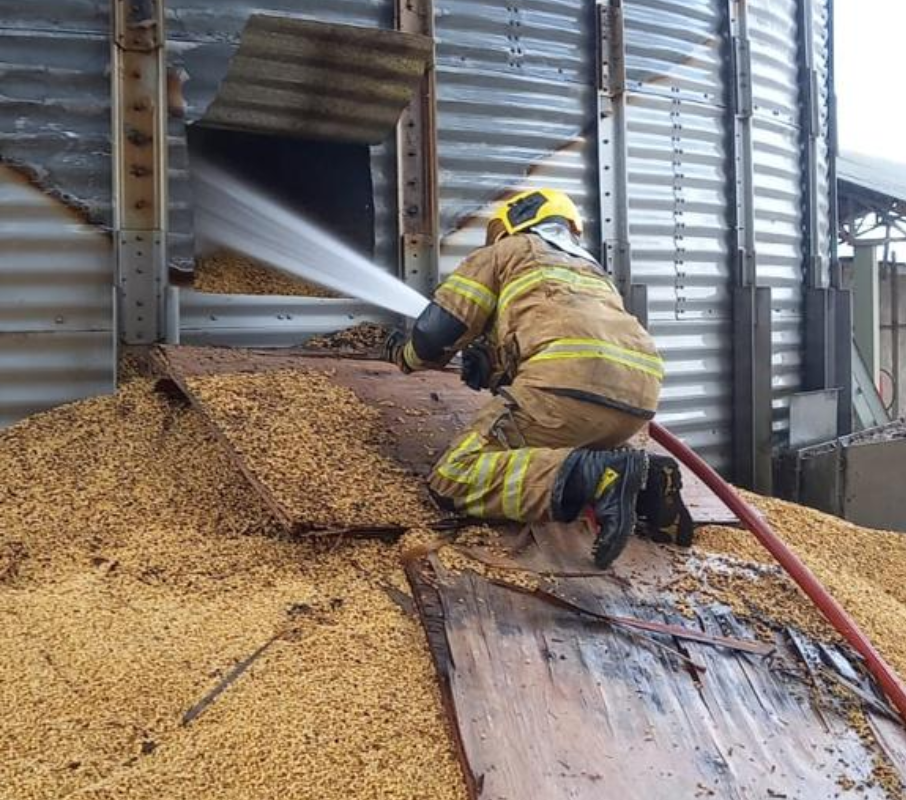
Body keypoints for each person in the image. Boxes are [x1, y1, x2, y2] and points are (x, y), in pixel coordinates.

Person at [384, 189, 684, 567]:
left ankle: (601, 476)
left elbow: (437, 332)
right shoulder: (592, 270)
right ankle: (649, 484)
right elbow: (559, 330)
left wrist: (405, 355)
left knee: (454, 476)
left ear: (514, 221)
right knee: (559, 447)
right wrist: (493, 366)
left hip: (566, 386)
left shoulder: (506, 252)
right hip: (638, 400)